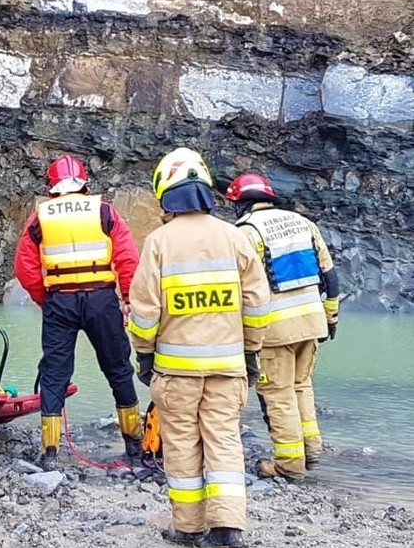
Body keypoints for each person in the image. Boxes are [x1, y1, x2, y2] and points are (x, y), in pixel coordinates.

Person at [128, 148, 271, 548]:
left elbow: (143, 312)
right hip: (228, 370)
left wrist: (143, 354)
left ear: (166, 193)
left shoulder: (159, 242)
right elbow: (258, 306)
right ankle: (227, 529)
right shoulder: (235, 238)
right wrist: (250, 353)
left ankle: (188, 529)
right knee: (225, 441)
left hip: (176, 373)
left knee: (181, 445)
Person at [14, 154, 143, 469]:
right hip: (101, 300)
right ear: (84, 183)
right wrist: (127, 297)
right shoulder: (103, 211)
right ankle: (134, 447)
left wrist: (45, 298)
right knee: (118, 369)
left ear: (52, 186)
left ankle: (51, 452)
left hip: (60, 300)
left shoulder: (40, 217)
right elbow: (128, 258)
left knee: (55, 373)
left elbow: (24, 267)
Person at [225, 173, 340, 479]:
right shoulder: (303, 223)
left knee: (278, 394)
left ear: (241, 204)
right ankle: (311, 449)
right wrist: (331, 316)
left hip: (275, 330)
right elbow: (329, 276)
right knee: (301, 386)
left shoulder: (245, 232)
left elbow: (244, 287)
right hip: (312, 321)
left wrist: (242, 332)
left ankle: (289, 464)